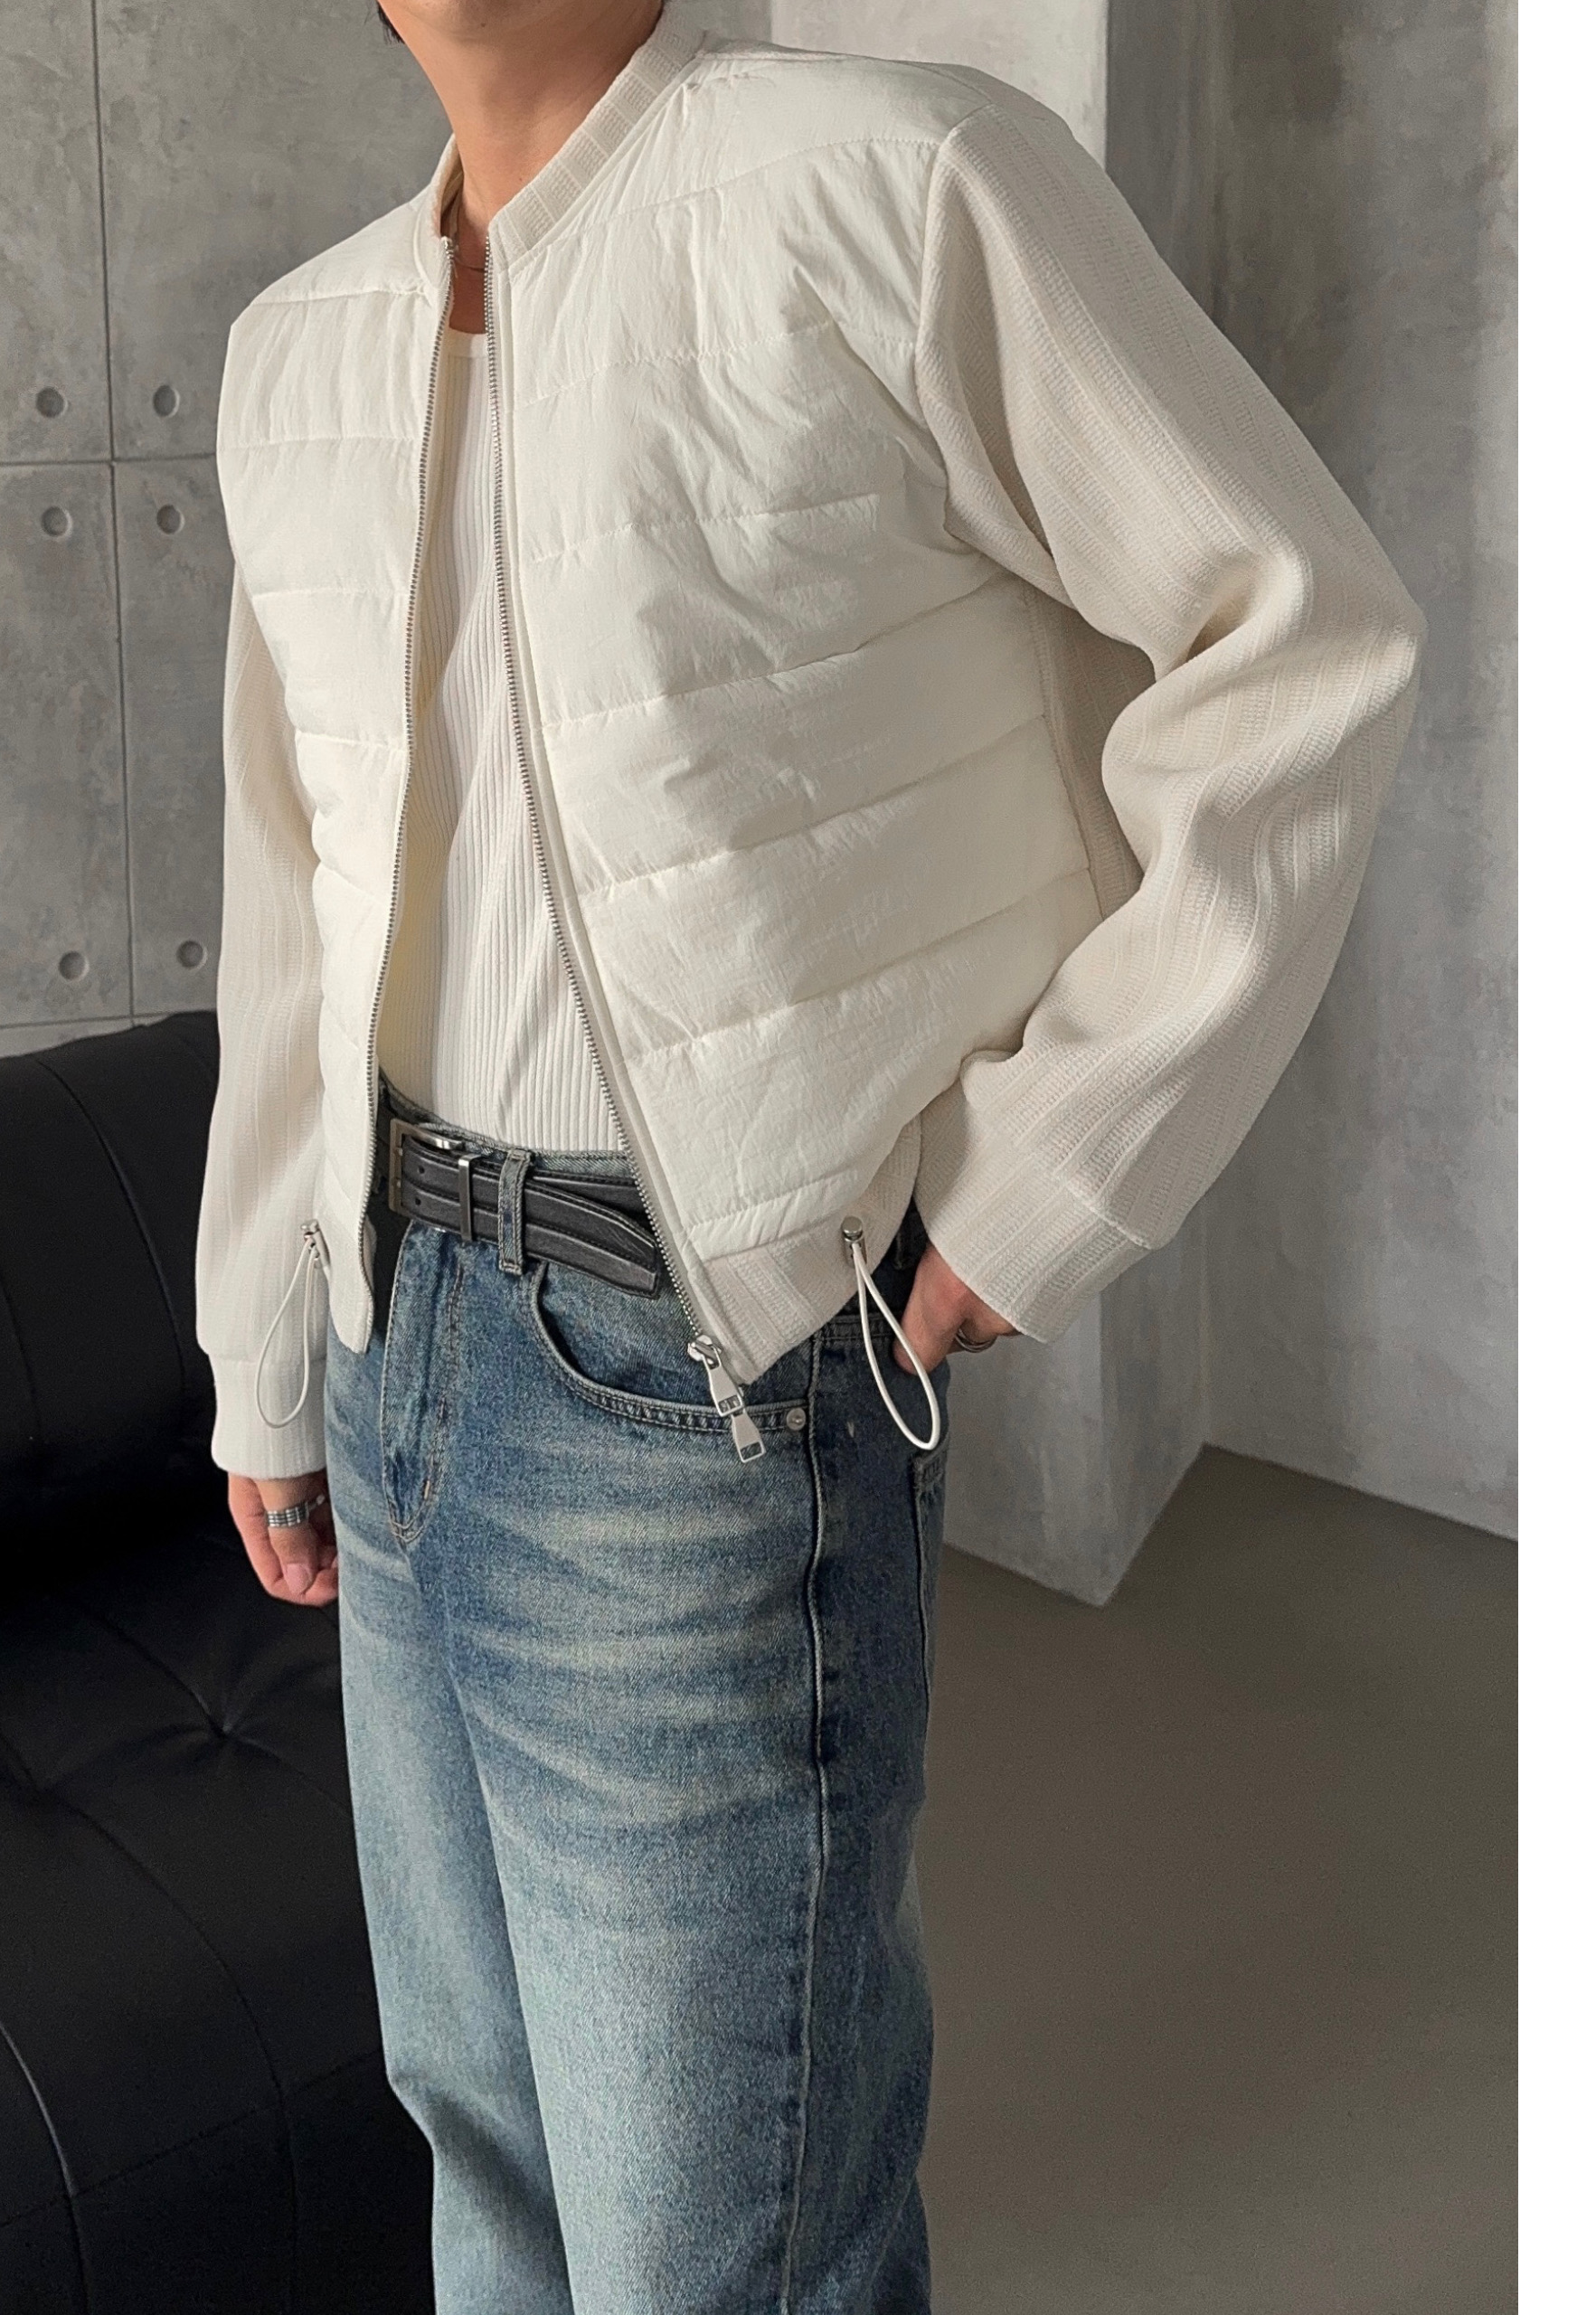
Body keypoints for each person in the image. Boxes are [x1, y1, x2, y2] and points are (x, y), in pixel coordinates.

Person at [194, 1, 1424, 2307]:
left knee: (719, 2249)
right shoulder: (298, 350)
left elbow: (1295, 639)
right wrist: (266, 1346)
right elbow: (294, 902)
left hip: (694, 1382)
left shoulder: (896, 181)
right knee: (485, 2149)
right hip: (391, 1342)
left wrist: (1050, 1169)